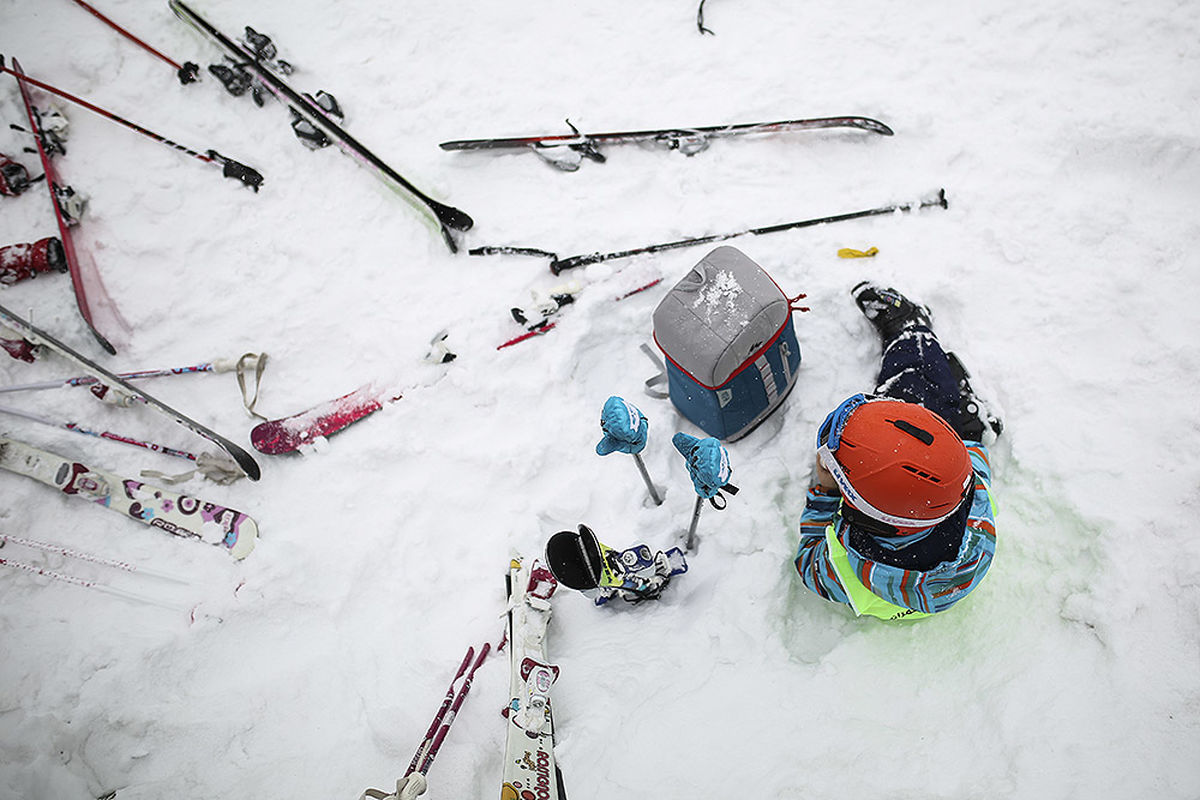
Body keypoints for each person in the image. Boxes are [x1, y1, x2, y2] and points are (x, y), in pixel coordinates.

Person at [794, 282, 1000, 620]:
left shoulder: (842, 572)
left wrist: (824, 492)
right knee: (931, 416)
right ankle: (964, 414)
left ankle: (911, 329)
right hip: (931, 490)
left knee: (909, 388)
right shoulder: (972, 520)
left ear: (863, 510)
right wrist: (969, 440)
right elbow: (974, 475)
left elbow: (807, 562)